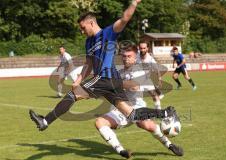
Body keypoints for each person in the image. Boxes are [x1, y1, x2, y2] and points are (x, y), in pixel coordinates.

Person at [29, 0, 176, 132]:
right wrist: (78, 80)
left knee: (72, 95)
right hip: (110, 82)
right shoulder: (88, 42)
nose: (81, 31)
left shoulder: (108, 33)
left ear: (91, 23)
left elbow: (124, 19)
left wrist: (134, 3)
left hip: (106, 77)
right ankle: (166, 112)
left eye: (83, 27)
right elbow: (89, 63)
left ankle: (45, 120)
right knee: (131, 114)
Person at [95, 44, 183, 159]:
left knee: (149, 126)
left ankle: (170, 145)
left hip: (138, 109)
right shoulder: (119, 72)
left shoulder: (139, 70)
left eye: (129, 56)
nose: (126, 58)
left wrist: (113, 84)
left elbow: (134, 86)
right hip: (121, 109)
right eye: (124, 56)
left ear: (135, 57)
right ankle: (121, 151)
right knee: (99, 122)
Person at [137, 41, 165, 109]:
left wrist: (159, 79)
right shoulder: (136, 55)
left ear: (147, 48)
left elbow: (156, 69)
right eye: (141, 48)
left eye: (144, 48)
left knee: (153, 94)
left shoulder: (150, 59)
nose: (142, 50)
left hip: (146, 79)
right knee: (135, 96)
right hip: (136, 79)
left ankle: (158, 109)